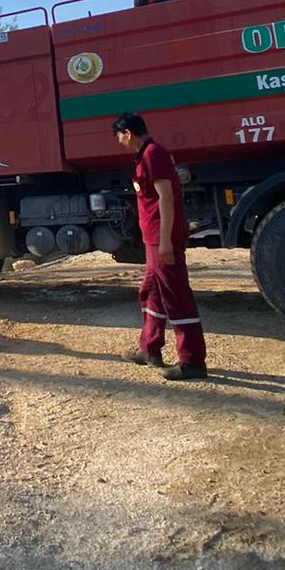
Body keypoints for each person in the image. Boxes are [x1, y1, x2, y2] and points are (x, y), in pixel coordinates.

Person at [111, 113, 209, 380]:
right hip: (153, 238)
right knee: (151, 291)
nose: (119, 142)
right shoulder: (145, 156)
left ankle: (192, 361)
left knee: (175, 295)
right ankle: (149, 348)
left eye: (118, 136)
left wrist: (165, 241)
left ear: (128, 133)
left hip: (161, 238)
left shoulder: (154, 154)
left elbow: (166, 199)